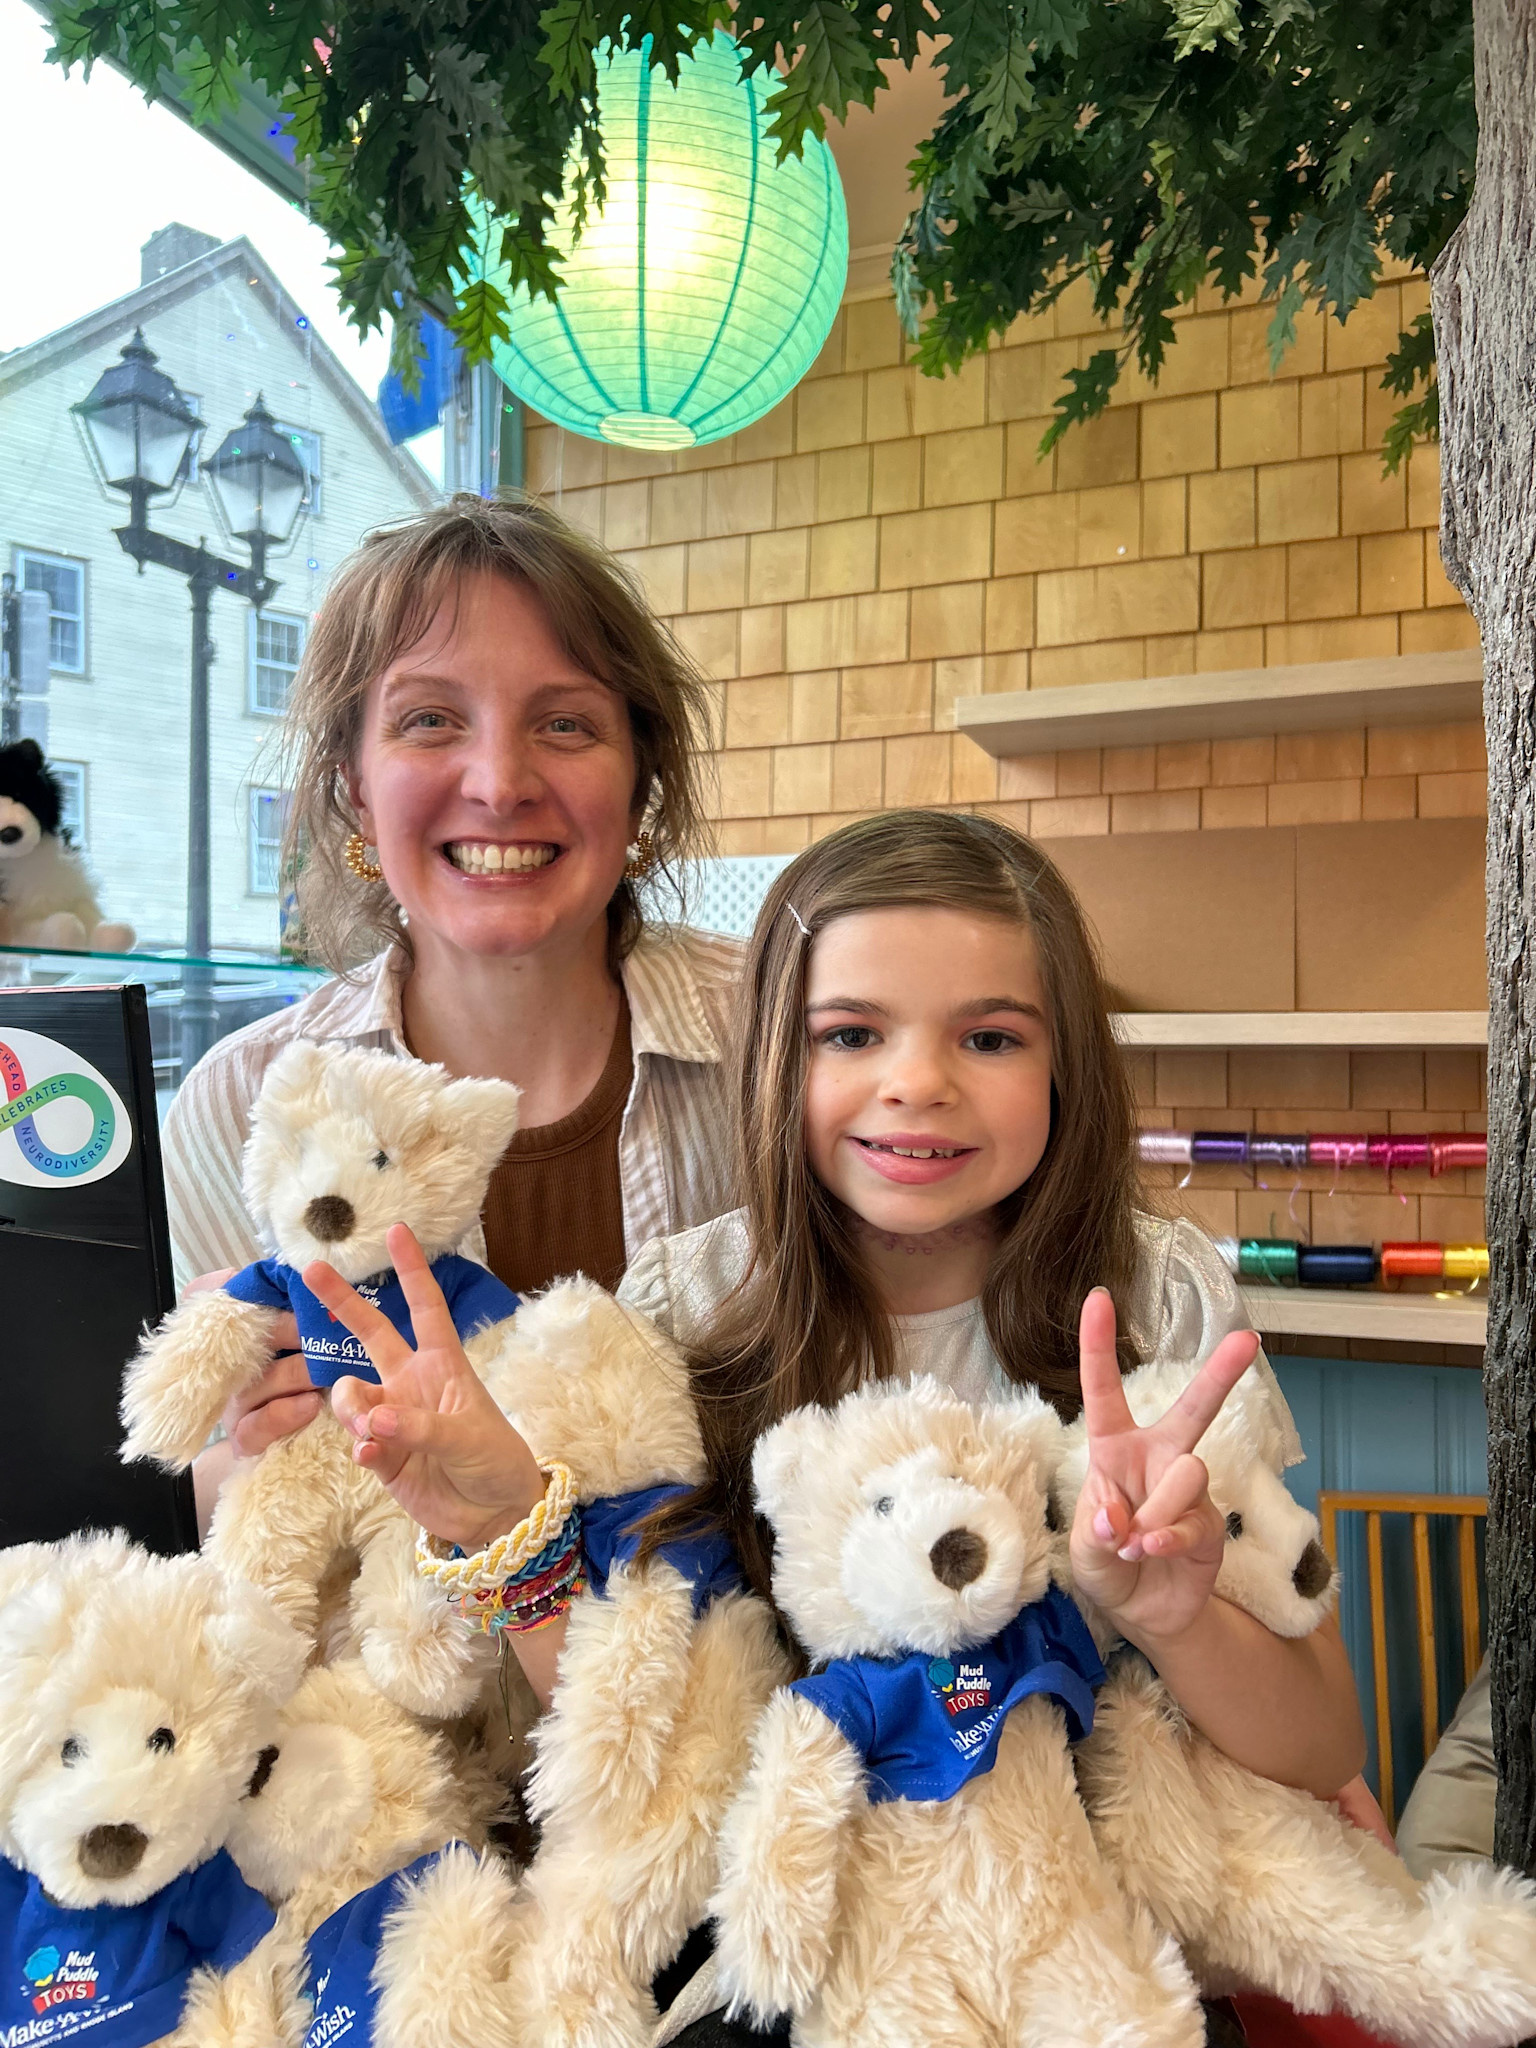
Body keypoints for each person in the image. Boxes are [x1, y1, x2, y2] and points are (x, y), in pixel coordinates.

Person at [306, 811, 1367, 2044]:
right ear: (773, 1056)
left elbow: (1322, 1740)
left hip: (1106, 1959)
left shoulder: (1159, 1297)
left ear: (1067, 1063)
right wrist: (506, 1519)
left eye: (991, 1035)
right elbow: (639, 1751)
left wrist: (1176, 1613)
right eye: (851, 1033)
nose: (918, 1081)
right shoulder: (685, 1307)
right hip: (789, 1957)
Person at [163, 493, 742, 1528]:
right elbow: (176, 1512)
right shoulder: (238, 1105)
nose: (500, 782)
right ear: (354, 785)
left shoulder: (786, 1042)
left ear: (640, 782)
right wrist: (251, 1451)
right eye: (429, 719)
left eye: (565, 723)